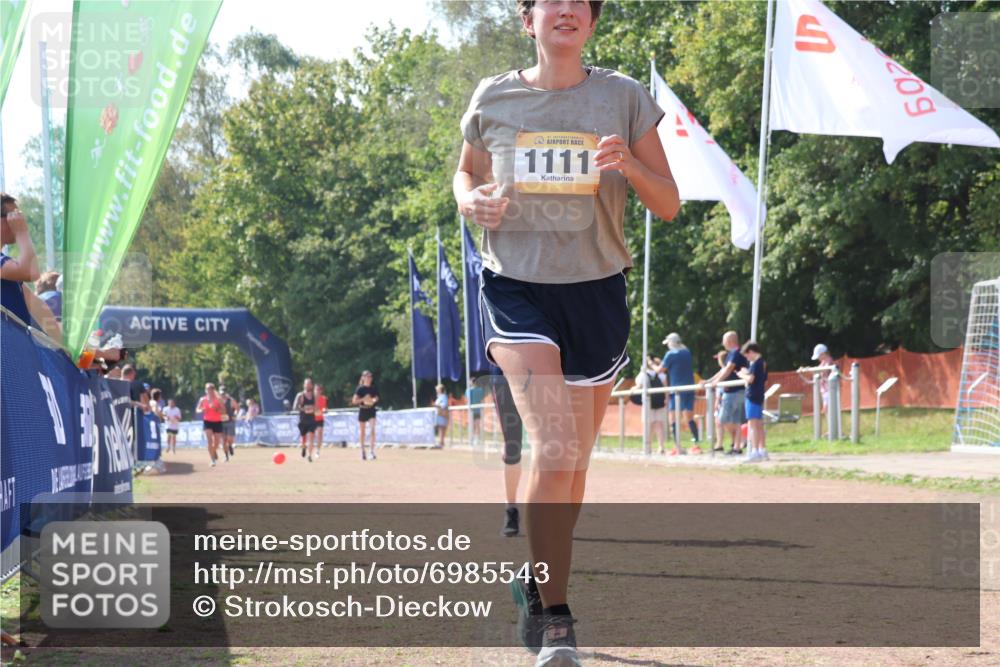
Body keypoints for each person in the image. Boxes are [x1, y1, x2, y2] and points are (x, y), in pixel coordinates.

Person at [454, 1, 679, 662]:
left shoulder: (623, 97)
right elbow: (465, 173)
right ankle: (556, 617)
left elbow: (668, 202)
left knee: (572, 466)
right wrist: (469, 200)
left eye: (583, 1)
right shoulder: (493, 96)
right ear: (529, 19)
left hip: (596, 291)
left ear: (592, 22)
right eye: (554, 0)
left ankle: (535, 578)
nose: (570, 9)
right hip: (516, 288)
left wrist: (628, 166)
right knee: (553, 448)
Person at [0, 193, 61, 343]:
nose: (19, 220)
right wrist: (22, 232)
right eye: (13, 215)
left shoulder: (8, 270)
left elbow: (39, 308)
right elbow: (31, 272)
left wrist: (68, 349)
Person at [492, 370, 526, 537]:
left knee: (551, 446)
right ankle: (511, 509)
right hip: (504, 373)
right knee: (512, 446)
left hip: (545, 372)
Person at [702, 331, 748, 455]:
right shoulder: (734, 353)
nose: (723, 343)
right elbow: (723, 370)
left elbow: (728, 369)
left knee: (722, 420)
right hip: (735, 391)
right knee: (735, 421)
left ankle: (738, 443)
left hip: (734, 392)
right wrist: (710, 381)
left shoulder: (735, 353)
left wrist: (716, 382)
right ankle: (736, 446)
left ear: (729, 341)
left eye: (724, 341)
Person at [658, 332, 699, 452]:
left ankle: (678, 446)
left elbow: (660, 370)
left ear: (671, 343)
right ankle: (696, 444)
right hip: (689, 388)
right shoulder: (687, 352)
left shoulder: (670, 354)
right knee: (689, 417)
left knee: (673, 419)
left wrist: (650, 364)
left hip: (676, 390)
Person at [738, 341, 769, 462]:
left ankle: (755, 451)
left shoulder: (756, 363)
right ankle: (762, 449)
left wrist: (742, 375)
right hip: (759, 395)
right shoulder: (763, 363)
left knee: (753, 425)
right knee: (759, 424)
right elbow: (762, 379)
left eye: (747, 355)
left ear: (751, 352)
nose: (747, 358)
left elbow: (751, 379)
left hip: (752, 396)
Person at [635, 356, 668, 454]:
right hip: (660, 402)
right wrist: (666, 399)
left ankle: (647, 447)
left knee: (647, 425)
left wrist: (632, 389)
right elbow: (666, 388)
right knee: (659, 424)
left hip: (647, 402)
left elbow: (639, 386)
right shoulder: (661, 375)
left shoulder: (643, 374)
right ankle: (661, 446)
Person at [352, 370, 380, 460]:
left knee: (372, 429)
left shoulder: (373, 388)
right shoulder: (360, 389)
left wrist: (373, 400)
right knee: (363, 432)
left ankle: (372, 451)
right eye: (367, 376)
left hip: (371, 410)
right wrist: (364, 399)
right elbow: (354, 401)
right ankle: (362, 451)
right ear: (363, 378)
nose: (369, 378)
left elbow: (377, 397)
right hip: (363, 410)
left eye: (370, 376)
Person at [196, 383, 225, 467]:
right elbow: (197, 410)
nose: (208, 390)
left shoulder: (218, 399)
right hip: (207, 421)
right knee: (209, 441)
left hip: (217, 421)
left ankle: (214, 450)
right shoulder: (203, 399)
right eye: (207, 389)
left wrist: (217, 409)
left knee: (217, 442)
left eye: (210, 389)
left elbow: (224, 411)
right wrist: (202, 410)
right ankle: (212, 460)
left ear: (213, 390)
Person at [292, 378, 318, 462]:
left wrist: (314, 409)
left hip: (312, 420)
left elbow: (317, 407)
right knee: (303, 438)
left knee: (311, 438)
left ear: (311, 385)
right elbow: (294, 408)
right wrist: (304, 409)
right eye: (306, 384)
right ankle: (303, 447)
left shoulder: (314, 395)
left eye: (309, 384)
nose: (308, 385)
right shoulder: (300, 395)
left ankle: (309, 456)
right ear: (304, 385)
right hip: (303, 420)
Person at [218, 385, 239, 458]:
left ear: (226, 393)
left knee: (229, 439)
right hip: (220, 422)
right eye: (221, 393)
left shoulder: (231, 400)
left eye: (223, 393)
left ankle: (230, 446)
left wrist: (235, 415)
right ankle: (226, 455)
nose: (222, 395)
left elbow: (237, 408)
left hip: (230, 421)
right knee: (223, 440)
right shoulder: (217, 401)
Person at [465, 379, 486, 445]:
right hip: (478, 410)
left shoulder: (468, 390)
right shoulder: (480, 390)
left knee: (473, 425)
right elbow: (483, 401)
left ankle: (473, 439)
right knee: (477, 425)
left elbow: (467, 401)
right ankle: (477, 439)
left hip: (471, 410)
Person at [434, 384, 450, 448]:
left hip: (442, 415)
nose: (436, 391)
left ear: (440, 390)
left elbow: (444, 405)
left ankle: (441, 442)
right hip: (440, 415)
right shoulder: (440, 396)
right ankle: (441, 442)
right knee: (440, 428)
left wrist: (437, 405)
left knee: (442, 428)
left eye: (437, 389)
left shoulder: (443, 396)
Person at [314, 384, 327, 456]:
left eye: (319, 390)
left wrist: (324, 410)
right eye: (316, 389)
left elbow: (324, 407)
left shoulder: (323, 398)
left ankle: (318, 450)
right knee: (311, 435)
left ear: (321, 391)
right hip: (312, 419)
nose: (317, 391)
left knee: (319, 433)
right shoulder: (311, 399)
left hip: (320, 419)